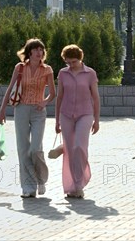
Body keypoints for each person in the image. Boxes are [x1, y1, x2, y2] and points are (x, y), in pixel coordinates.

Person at [0, 38, 56, 198]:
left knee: (35, 148)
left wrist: (44, 102)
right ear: (29, 52)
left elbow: (53, 93)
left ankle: (41, 179)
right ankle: (28, 187)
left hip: (39, 112)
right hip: (21, 109)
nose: (40, 52)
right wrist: (2, 109)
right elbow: (10, 88)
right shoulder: (20, 68)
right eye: (36, 49)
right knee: (23, 149)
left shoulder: (47, 69)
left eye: (41, 50)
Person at [54, 44, 100, 199]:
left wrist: (97, 120)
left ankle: (79, 184)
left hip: (85, 114)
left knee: (80, 147)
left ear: (80, 59)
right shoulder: (62, 73)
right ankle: (72, 186)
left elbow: (95, 97)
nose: (71, 65)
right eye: (68, 62)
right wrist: (56, 121)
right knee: (70, 151)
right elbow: (59, 96)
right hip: (66, 114)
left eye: (73, 62)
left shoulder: (90, 74)